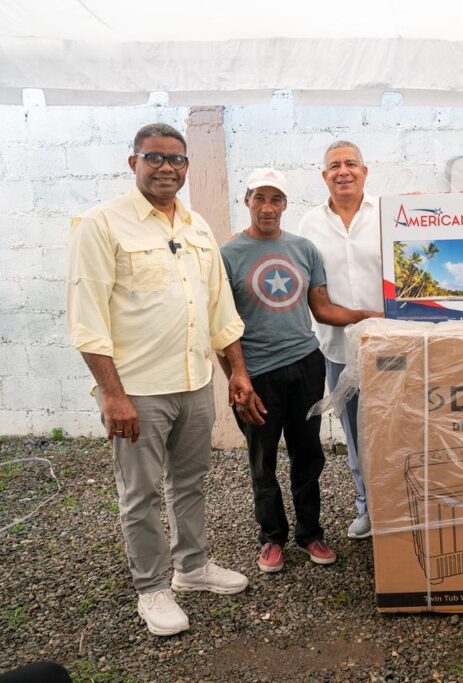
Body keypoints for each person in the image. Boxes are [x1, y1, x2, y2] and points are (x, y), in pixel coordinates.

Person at [67, 123, 255, 637]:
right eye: (154, 158)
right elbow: (87, 319)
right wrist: (113, 395)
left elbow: (220, 309)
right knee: (141, 493)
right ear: (134, 163)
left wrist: (237, 371)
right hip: (138, 391)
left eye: (176, 159)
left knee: (190, 481)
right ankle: (151, 587)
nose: (166, 168)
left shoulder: (197, 227)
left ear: (187, 167)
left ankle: (191, 567)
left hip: (194, 384)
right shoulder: (102, 224)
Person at [219, 168, 380, 573]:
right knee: (262, 460)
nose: (267, 207)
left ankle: (311, 534)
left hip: (306, 364)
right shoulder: (227, 255)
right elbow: (220, 323)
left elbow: (322, 309)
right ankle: (272, 538)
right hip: (257, 374)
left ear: (285, 204)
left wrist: (370, 317)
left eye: (275, 199)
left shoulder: (304, 249)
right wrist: (235, 376)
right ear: (247, 201)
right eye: (259, 198)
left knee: (308, 455)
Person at [296, 141, 384, 539]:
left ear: (365, 171)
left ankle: (400, 506)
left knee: (397, 426)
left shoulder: (387, 214)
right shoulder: (309, 224)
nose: (343, 171)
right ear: (324, 176)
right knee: (355, 432)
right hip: (338, 348)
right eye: (335, 165)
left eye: (351, 164)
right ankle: (368, 508)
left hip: (389, 345)